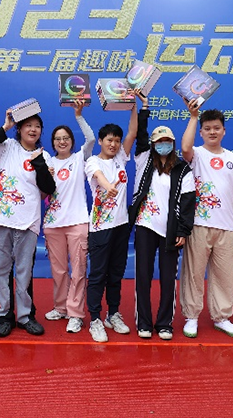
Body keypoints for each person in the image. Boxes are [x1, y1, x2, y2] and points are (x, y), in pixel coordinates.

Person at [0, 106, 56, 337]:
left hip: (28, 222)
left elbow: (49, 188)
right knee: (3, 271)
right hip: (2, 219)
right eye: (28, 125)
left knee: (24, 272)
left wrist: (38, 163)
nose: (33, 129)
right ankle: (5, 316)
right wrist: (5, 127)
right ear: (20, 129)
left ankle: (24, 316)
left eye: (37, 126)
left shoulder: (44, 156)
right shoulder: (6, 147)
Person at [179, 101, 233, 339]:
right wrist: (193, 116)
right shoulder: (197, 154)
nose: (212, 132)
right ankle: (191, 317)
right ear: (201, 132)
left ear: (224, 131)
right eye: (207, 128)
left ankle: (222, 317)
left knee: (226, 275)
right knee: (194, 273)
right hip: (198, 224)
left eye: (216, 128)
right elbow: (185, 148)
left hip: (227, 226)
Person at [130, 104, 195, 340]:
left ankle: (165, 323)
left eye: (167, 141)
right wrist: (144, 108)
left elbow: (188, 202)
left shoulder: (183, 168)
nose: (163, 144)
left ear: (173, 143)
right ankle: (144, 323)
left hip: (170, 231)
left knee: (168, 279)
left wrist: (183, 230)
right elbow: (141, 133)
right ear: (152, 144)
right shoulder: (144, 159)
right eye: (159, 141)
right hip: (145, 226)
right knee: (143, 276)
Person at [84, 92, 144, 343]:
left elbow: (133, 132)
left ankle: (113, 314)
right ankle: (95, 319)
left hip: (121, 226)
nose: (114, 144)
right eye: (110, 140)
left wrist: (134, 106)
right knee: (98, 274)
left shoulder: (121, 157)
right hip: (100, 228)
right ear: (100, 141)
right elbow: (99, 177)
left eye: (117, 141)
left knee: (116, 273)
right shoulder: (92, 161)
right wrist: (108, 186)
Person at [42, 99, 94, 334]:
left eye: (65, 138)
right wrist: (45, 174)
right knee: (59, 270)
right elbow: (41, 190)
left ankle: (75, 313)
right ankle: (61, 307)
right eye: (57, 139)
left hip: (77, 223)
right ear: (53, 143)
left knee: (78, 271)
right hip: (53, 224)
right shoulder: (48, 162)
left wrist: (78, 116)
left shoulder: (79, 158)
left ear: (72, 141)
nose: (62, 141)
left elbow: (90, 139)